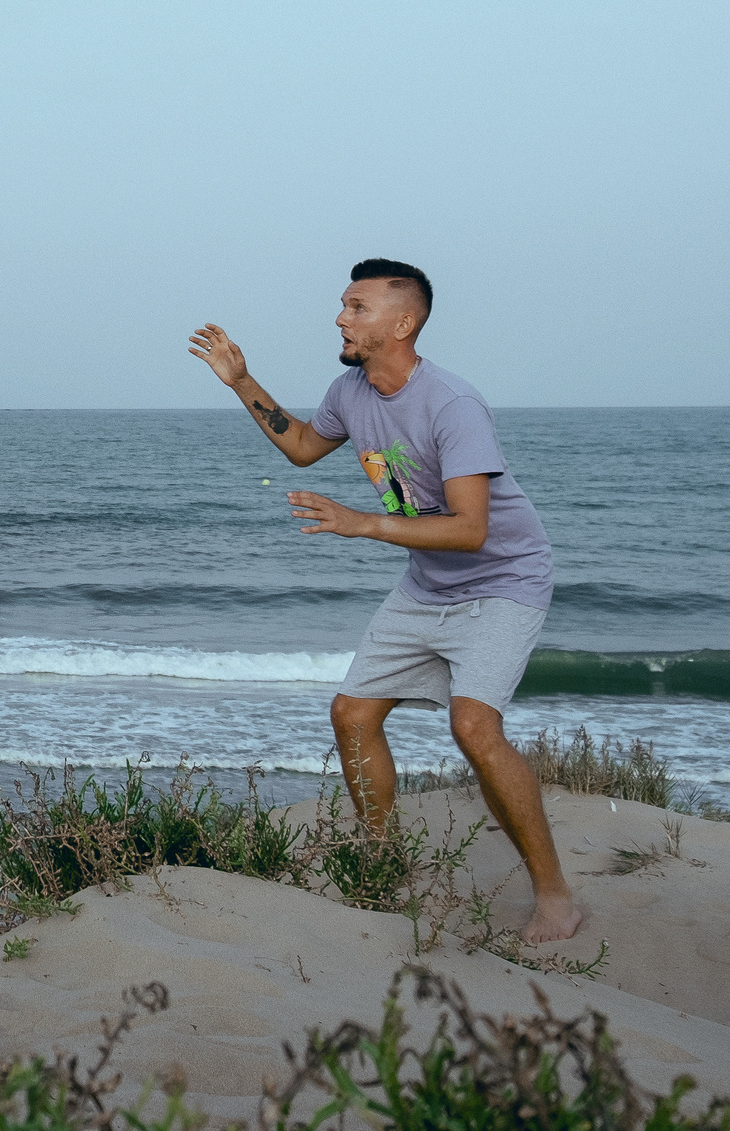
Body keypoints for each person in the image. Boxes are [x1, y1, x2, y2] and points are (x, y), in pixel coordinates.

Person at [188, 257, 586, 945]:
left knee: (474, 728)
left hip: (503, 580)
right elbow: (307, 447)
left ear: (402, 323)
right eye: (343, 305)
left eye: (357, 307)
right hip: (428, 582)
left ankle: (555, 896)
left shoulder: (453, 405)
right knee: (351, 712)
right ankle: (382, 860)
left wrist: (362, 521)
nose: (341, 317)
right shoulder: (351, 390)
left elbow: (471, 528)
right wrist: (241, 381)